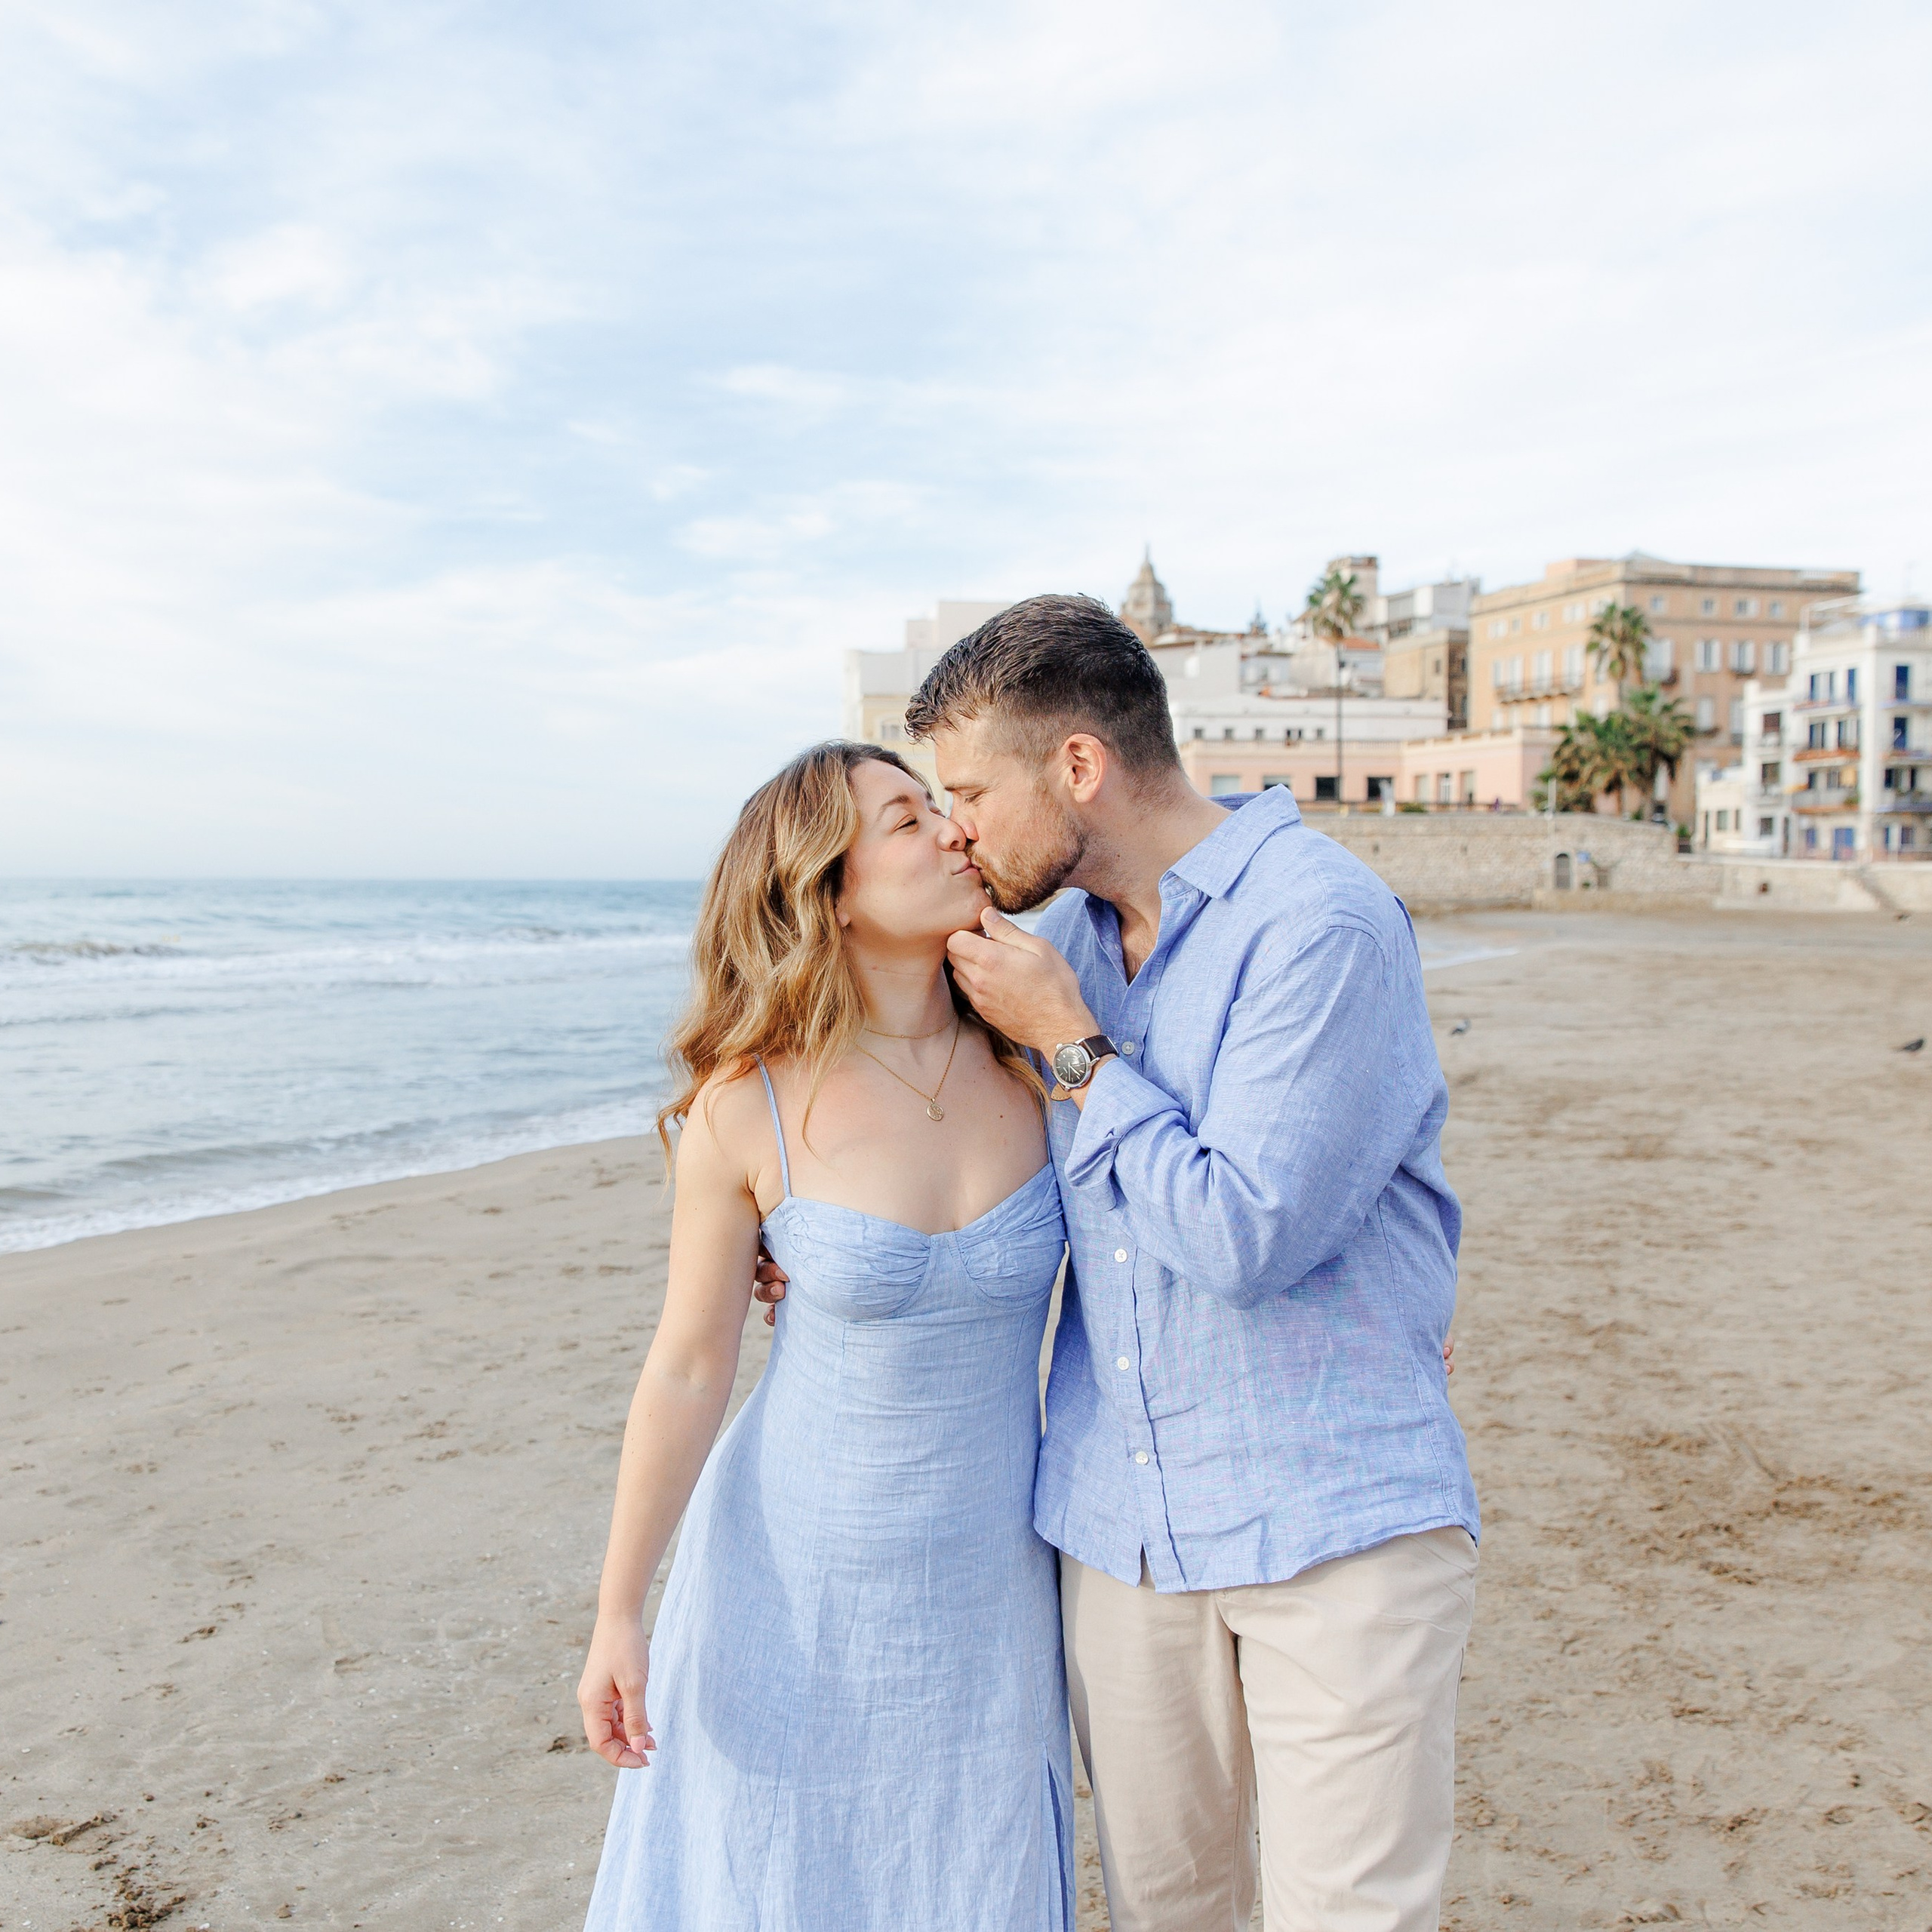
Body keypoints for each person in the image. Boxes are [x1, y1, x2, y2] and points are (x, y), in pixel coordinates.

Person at [760, 595, 1478, 1932]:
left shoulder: (1317, 924)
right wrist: (788, 1223)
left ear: (1078, 766)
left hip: (1330, 1517)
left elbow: (1243, 1237)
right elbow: (885, 1063)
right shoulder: (1060, 943)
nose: (955, 824)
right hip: (1120, 1534)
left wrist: (1082, 1051)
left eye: (969, 789)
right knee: (1166, 1914)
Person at [577, 742, 1075, 1930]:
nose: (955, 831)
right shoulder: (747, 1106)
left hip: (993, 1591)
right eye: (908, 821)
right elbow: (690, 1368)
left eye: (942, 807)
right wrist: (617, 1613)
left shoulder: (1041, 1062)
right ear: (829, 889)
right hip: (789, 1584)